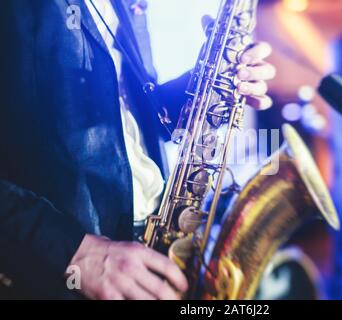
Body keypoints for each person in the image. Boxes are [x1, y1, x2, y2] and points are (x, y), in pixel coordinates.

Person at [0, 0, 276, 300]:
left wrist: (206, 92)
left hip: (150, 249)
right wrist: (76, 254)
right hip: (56, 276)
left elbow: (127, 119)